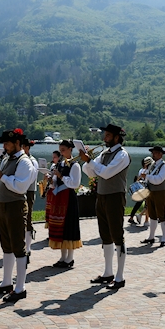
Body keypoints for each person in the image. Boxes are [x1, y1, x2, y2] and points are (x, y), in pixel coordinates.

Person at [0, 128, 35, 303]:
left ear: (17, 143)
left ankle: (20, 287)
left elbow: (20, 187)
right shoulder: (7, 159)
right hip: (3, 205)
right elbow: (0, 185)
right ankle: (6, 282)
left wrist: (1, 175)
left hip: (16, 206)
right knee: (6, 246)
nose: (4, 146)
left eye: (7, 143)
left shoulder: (25, 162)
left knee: (18, 247)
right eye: (4, 143)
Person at [80, 123, 131, 290]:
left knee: (117, 235)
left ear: (117, 137)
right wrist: (87, 161)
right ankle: (108, 272)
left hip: (115, 197)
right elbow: (90, 172)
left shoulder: (122, 155)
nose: (104, 138)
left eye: (108, 136)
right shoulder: (104, 153)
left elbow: (107, 173)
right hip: (101, 196)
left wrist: (90, 162)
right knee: (105, 235)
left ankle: (120, 276)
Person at [46, 140, 82, 268]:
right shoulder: (60, 164)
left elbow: (75, 183)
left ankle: (70, 258)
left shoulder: (75, 165)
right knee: (61, 227)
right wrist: (50, 180)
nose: (61, 152)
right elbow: (55, 183)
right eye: (60, 150)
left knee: (69, 227)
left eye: (63, 150)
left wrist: (61, 177)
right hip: (59, 197)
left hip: (69, 199)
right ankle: (62, 257)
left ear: (70, 149)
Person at [140, 146, 165, 247]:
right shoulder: (152, 165)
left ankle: (164, 237)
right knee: (152, 214)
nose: (153, 154)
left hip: (160, 192)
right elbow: (149, 177)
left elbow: (159, 180)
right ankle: (151, 236)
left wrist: (147, 177)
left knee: (161, 215)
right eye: (153, 153)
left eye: (155, 153)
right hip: (151, 191)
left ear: (161, 154)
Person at [21, 137, 39, 261]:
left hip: (29, 191)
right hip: (21, 191)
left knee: (28, 219)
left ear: (27, 148)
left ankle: (28, 248)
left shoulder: (32, 161)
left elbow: (31, 178)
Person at [128, 157, 153, 226]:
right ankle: (145, 219)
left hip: (140, 188)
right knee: (148, 204)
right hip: (145, 188)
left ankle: (132, 217)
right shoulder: (148, 171)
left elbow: (138, 180)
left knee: (139, 203)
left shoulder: (141, 170)